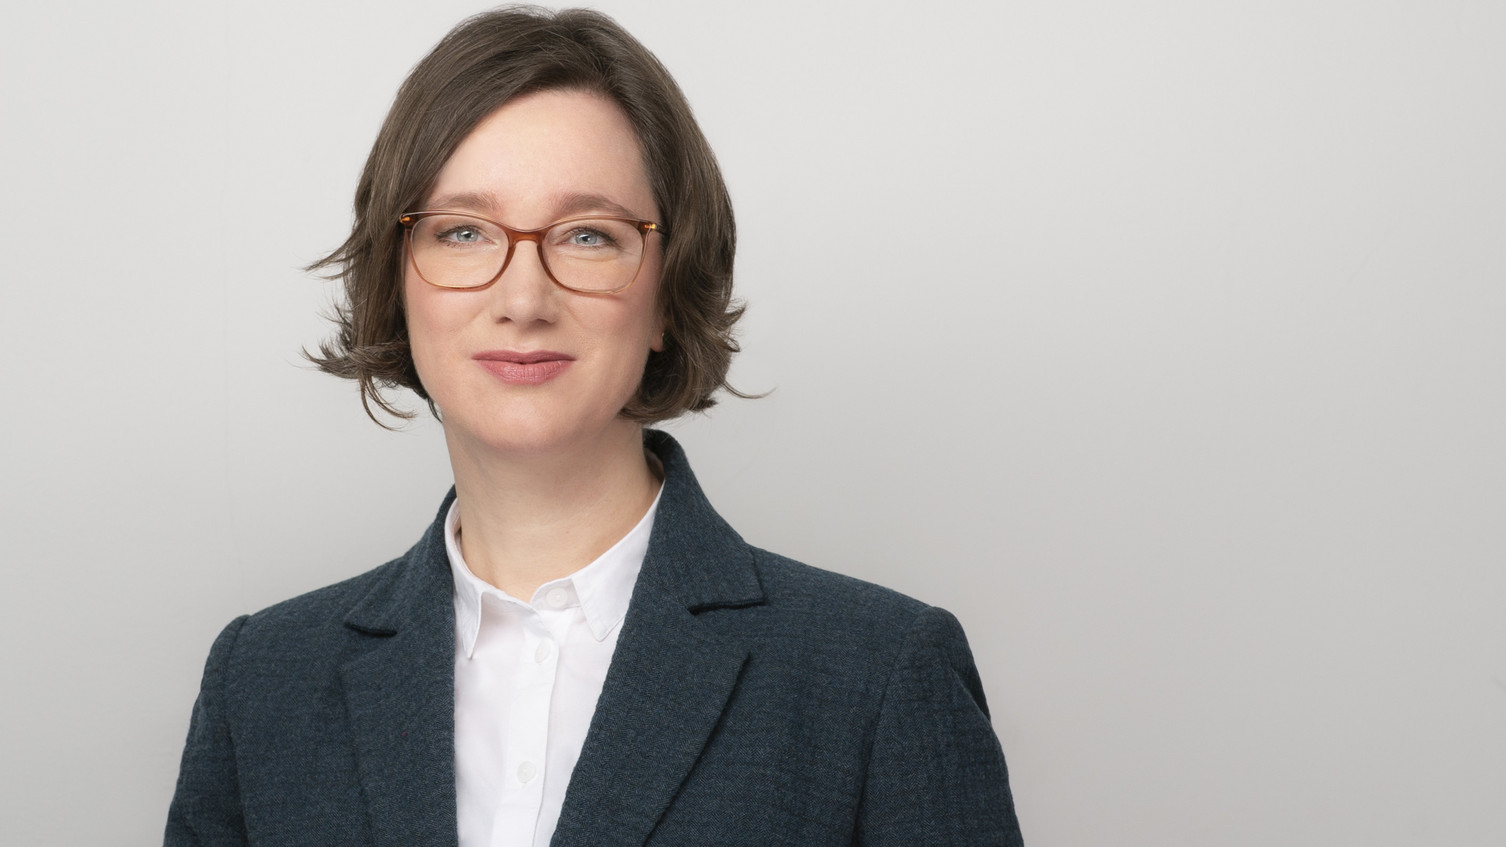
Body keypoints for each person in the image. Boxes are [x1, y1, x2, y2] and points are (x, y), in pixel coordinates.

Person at [165, 7, 1023, 846]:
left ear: (668, 294)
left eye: (587, 236)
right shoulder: (262, 682)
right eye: (462, 231)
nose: (523, 299)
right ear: (397, 283)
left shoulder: (878, 675)